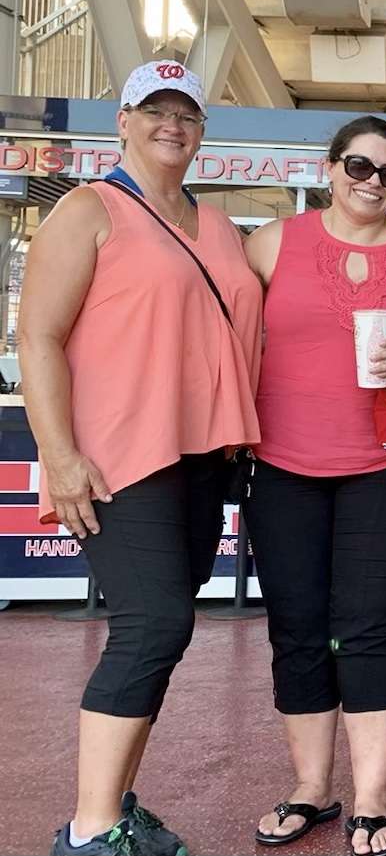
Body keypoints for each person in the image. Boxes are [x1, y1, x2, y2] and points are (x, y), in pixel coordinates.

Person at [20, 61, 262, 856]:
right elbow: (38, 336)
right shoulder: (88, 209)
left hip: (201, 457)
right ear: (121, 122)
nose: (172, 125)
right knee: (151, 623)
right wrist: (59, 454)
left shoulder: (219, 225)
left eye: (186, 113)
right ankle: (89, 833)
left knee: (163, 629)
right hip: (119, 455)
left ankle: (113, 806)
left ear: (201, 131)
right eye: (153, 110)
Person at [242, 116, 386, 856]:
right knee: (298, 627)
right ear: (331, 167)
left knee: (372, 627)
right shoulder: (274, 242)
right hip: (281, 467)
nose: (373, 182)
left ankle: (371, 798)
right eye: (359, 166)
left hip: (383, 466)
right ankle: (312, 786)